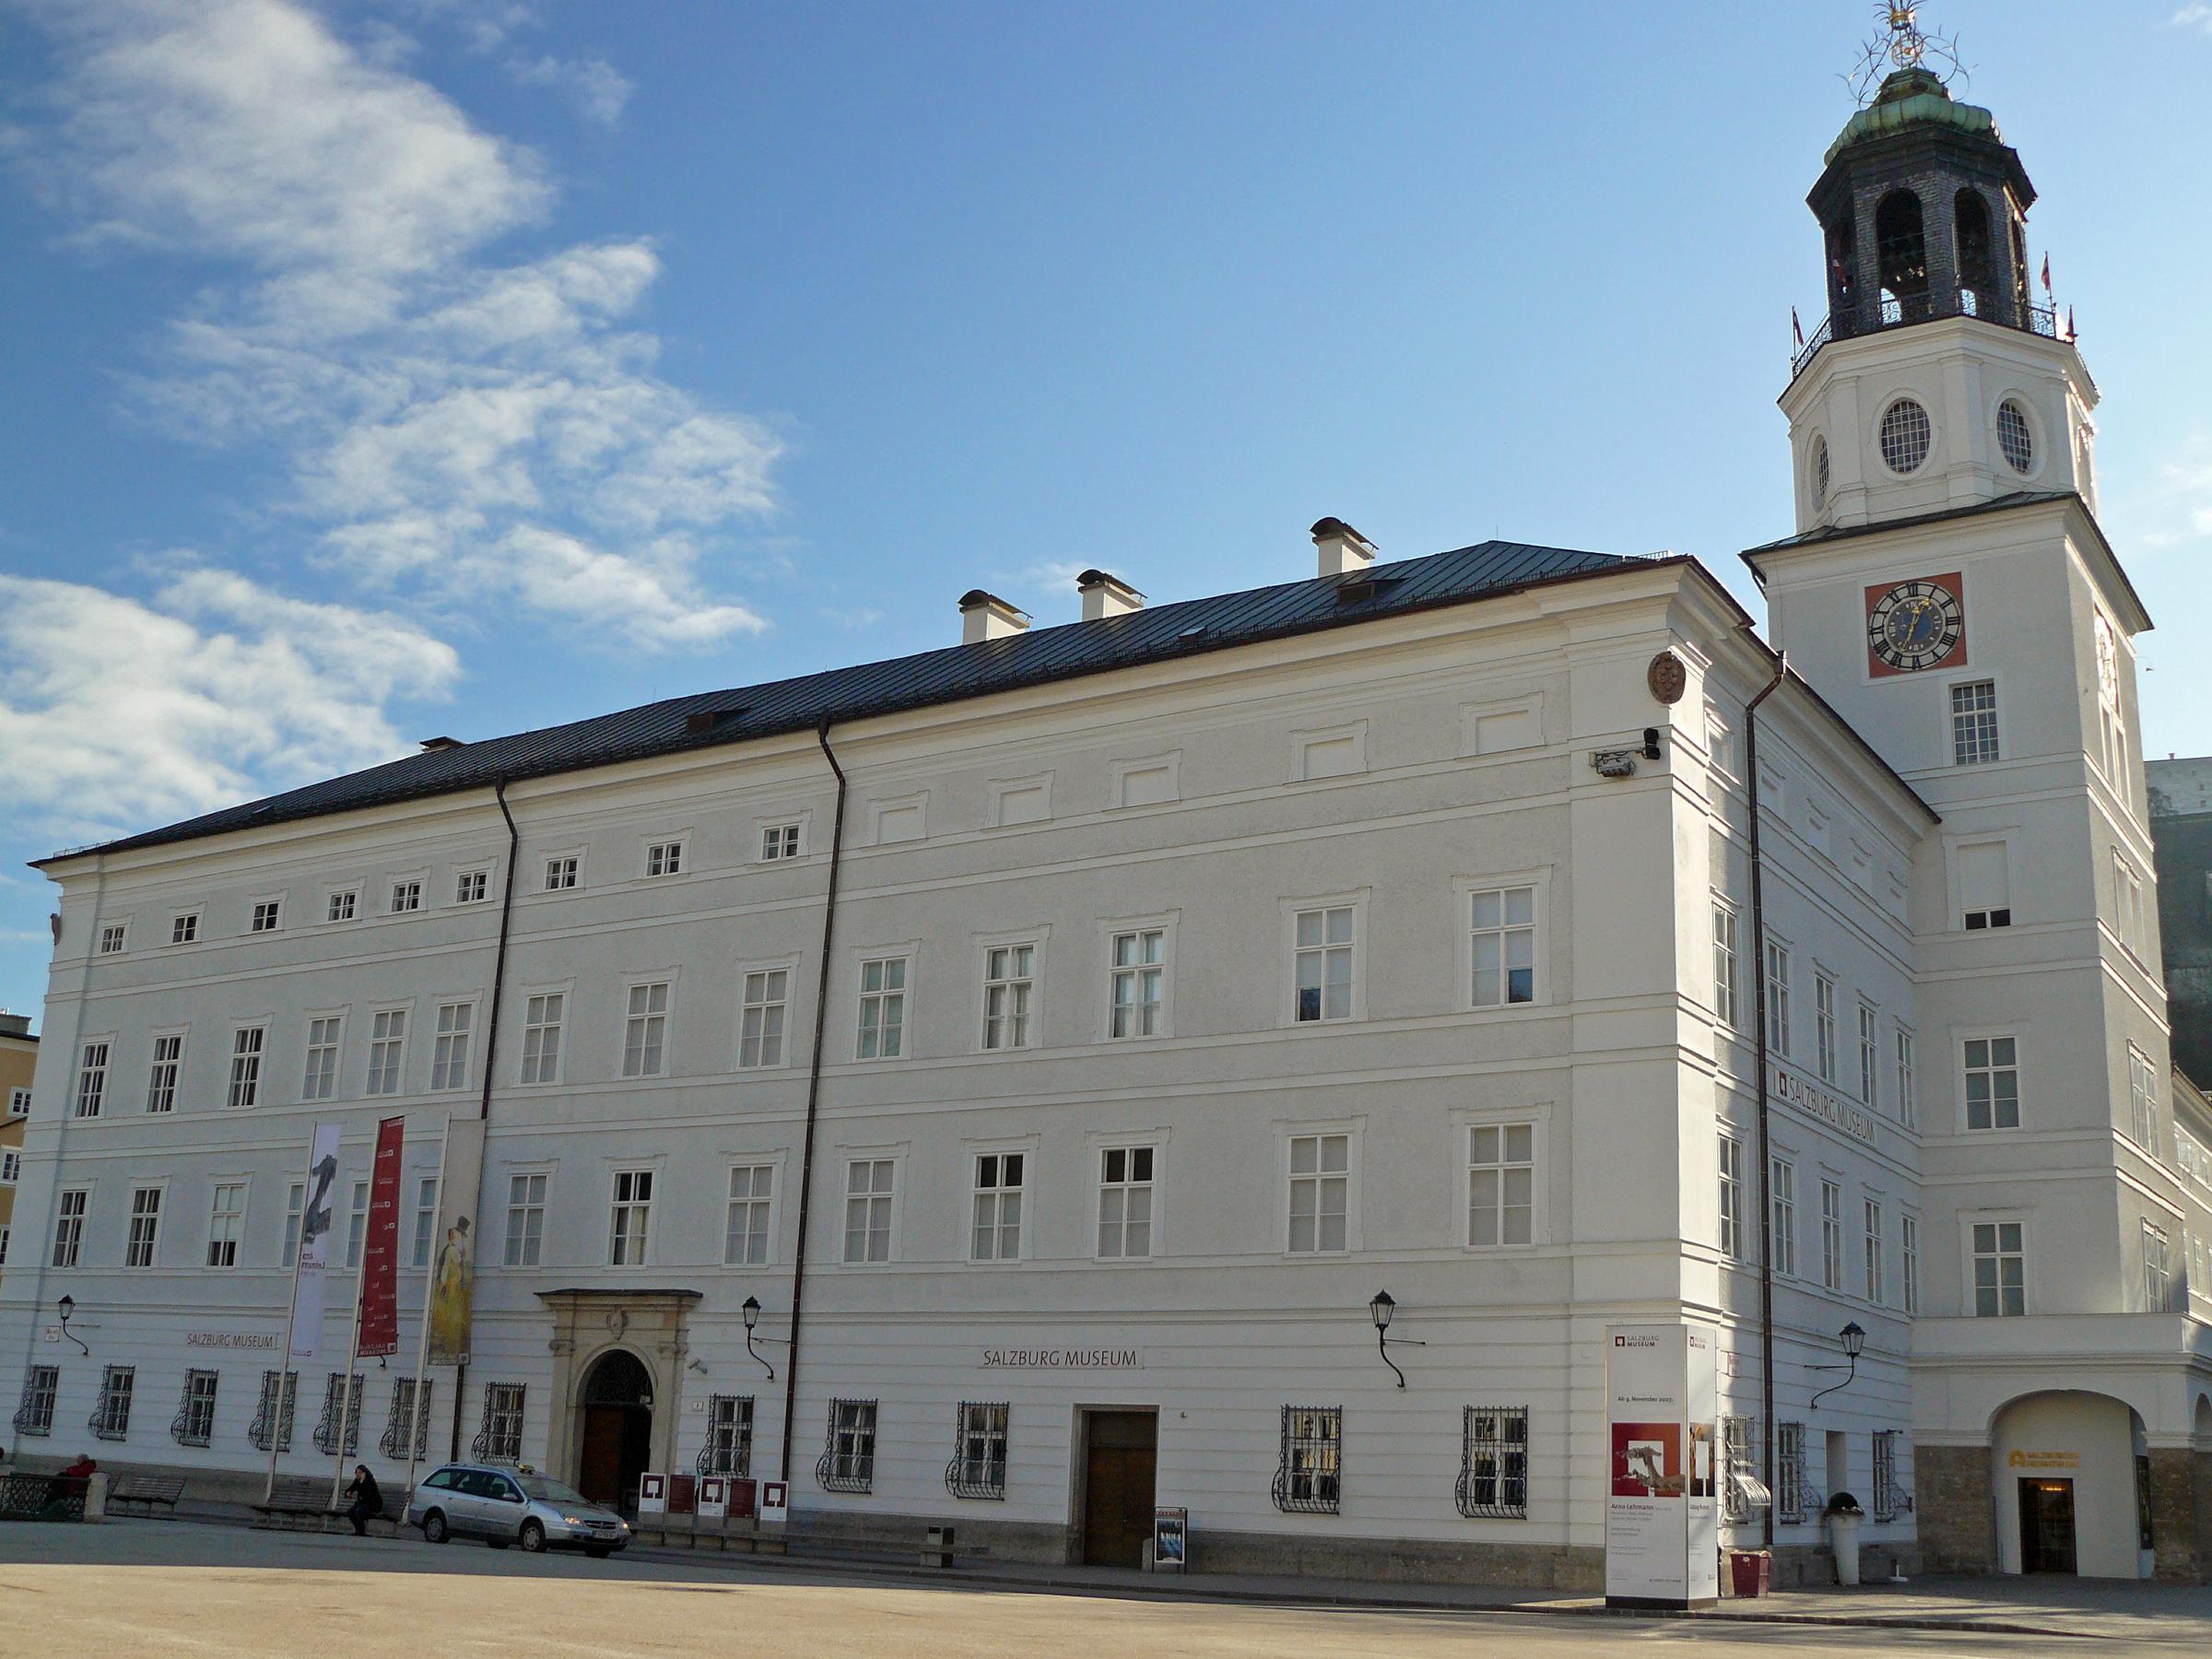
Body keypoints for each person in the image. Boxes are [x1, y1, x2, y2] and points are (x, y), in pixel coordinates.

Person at [341, 1464, 382, 1537]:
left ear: (364, 1473)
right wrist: (348, 1492)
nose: (358, 1474)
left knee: (359, 1511)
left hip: (372, 1504)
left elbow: (370, 1495)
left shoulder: (370, 1481)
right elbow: (351, 1488)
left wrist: (362, 1483)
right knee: (350, 1512)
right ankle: (358, 1530)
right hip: (362, 1503)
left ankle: (361, 1531)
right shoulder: (357, 1481)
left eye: (360, 1473)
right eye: (356, 1473)